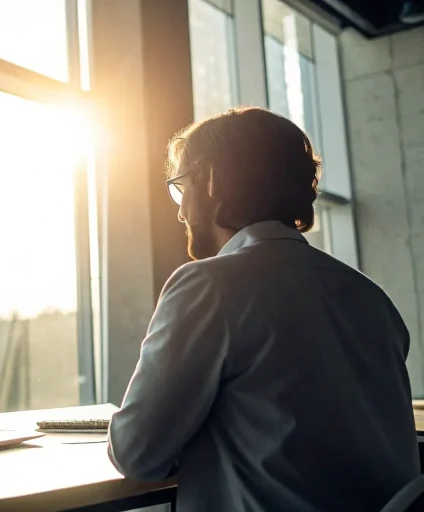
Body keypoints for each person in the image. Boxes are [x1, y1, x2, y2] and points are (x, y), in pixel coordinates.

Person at [107, 107, 420, 511]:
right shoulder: (371, 298)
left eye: (182, 187)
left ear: (213, 182)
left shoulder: (208, 286)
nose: (181, 210)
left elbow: (136, 454)